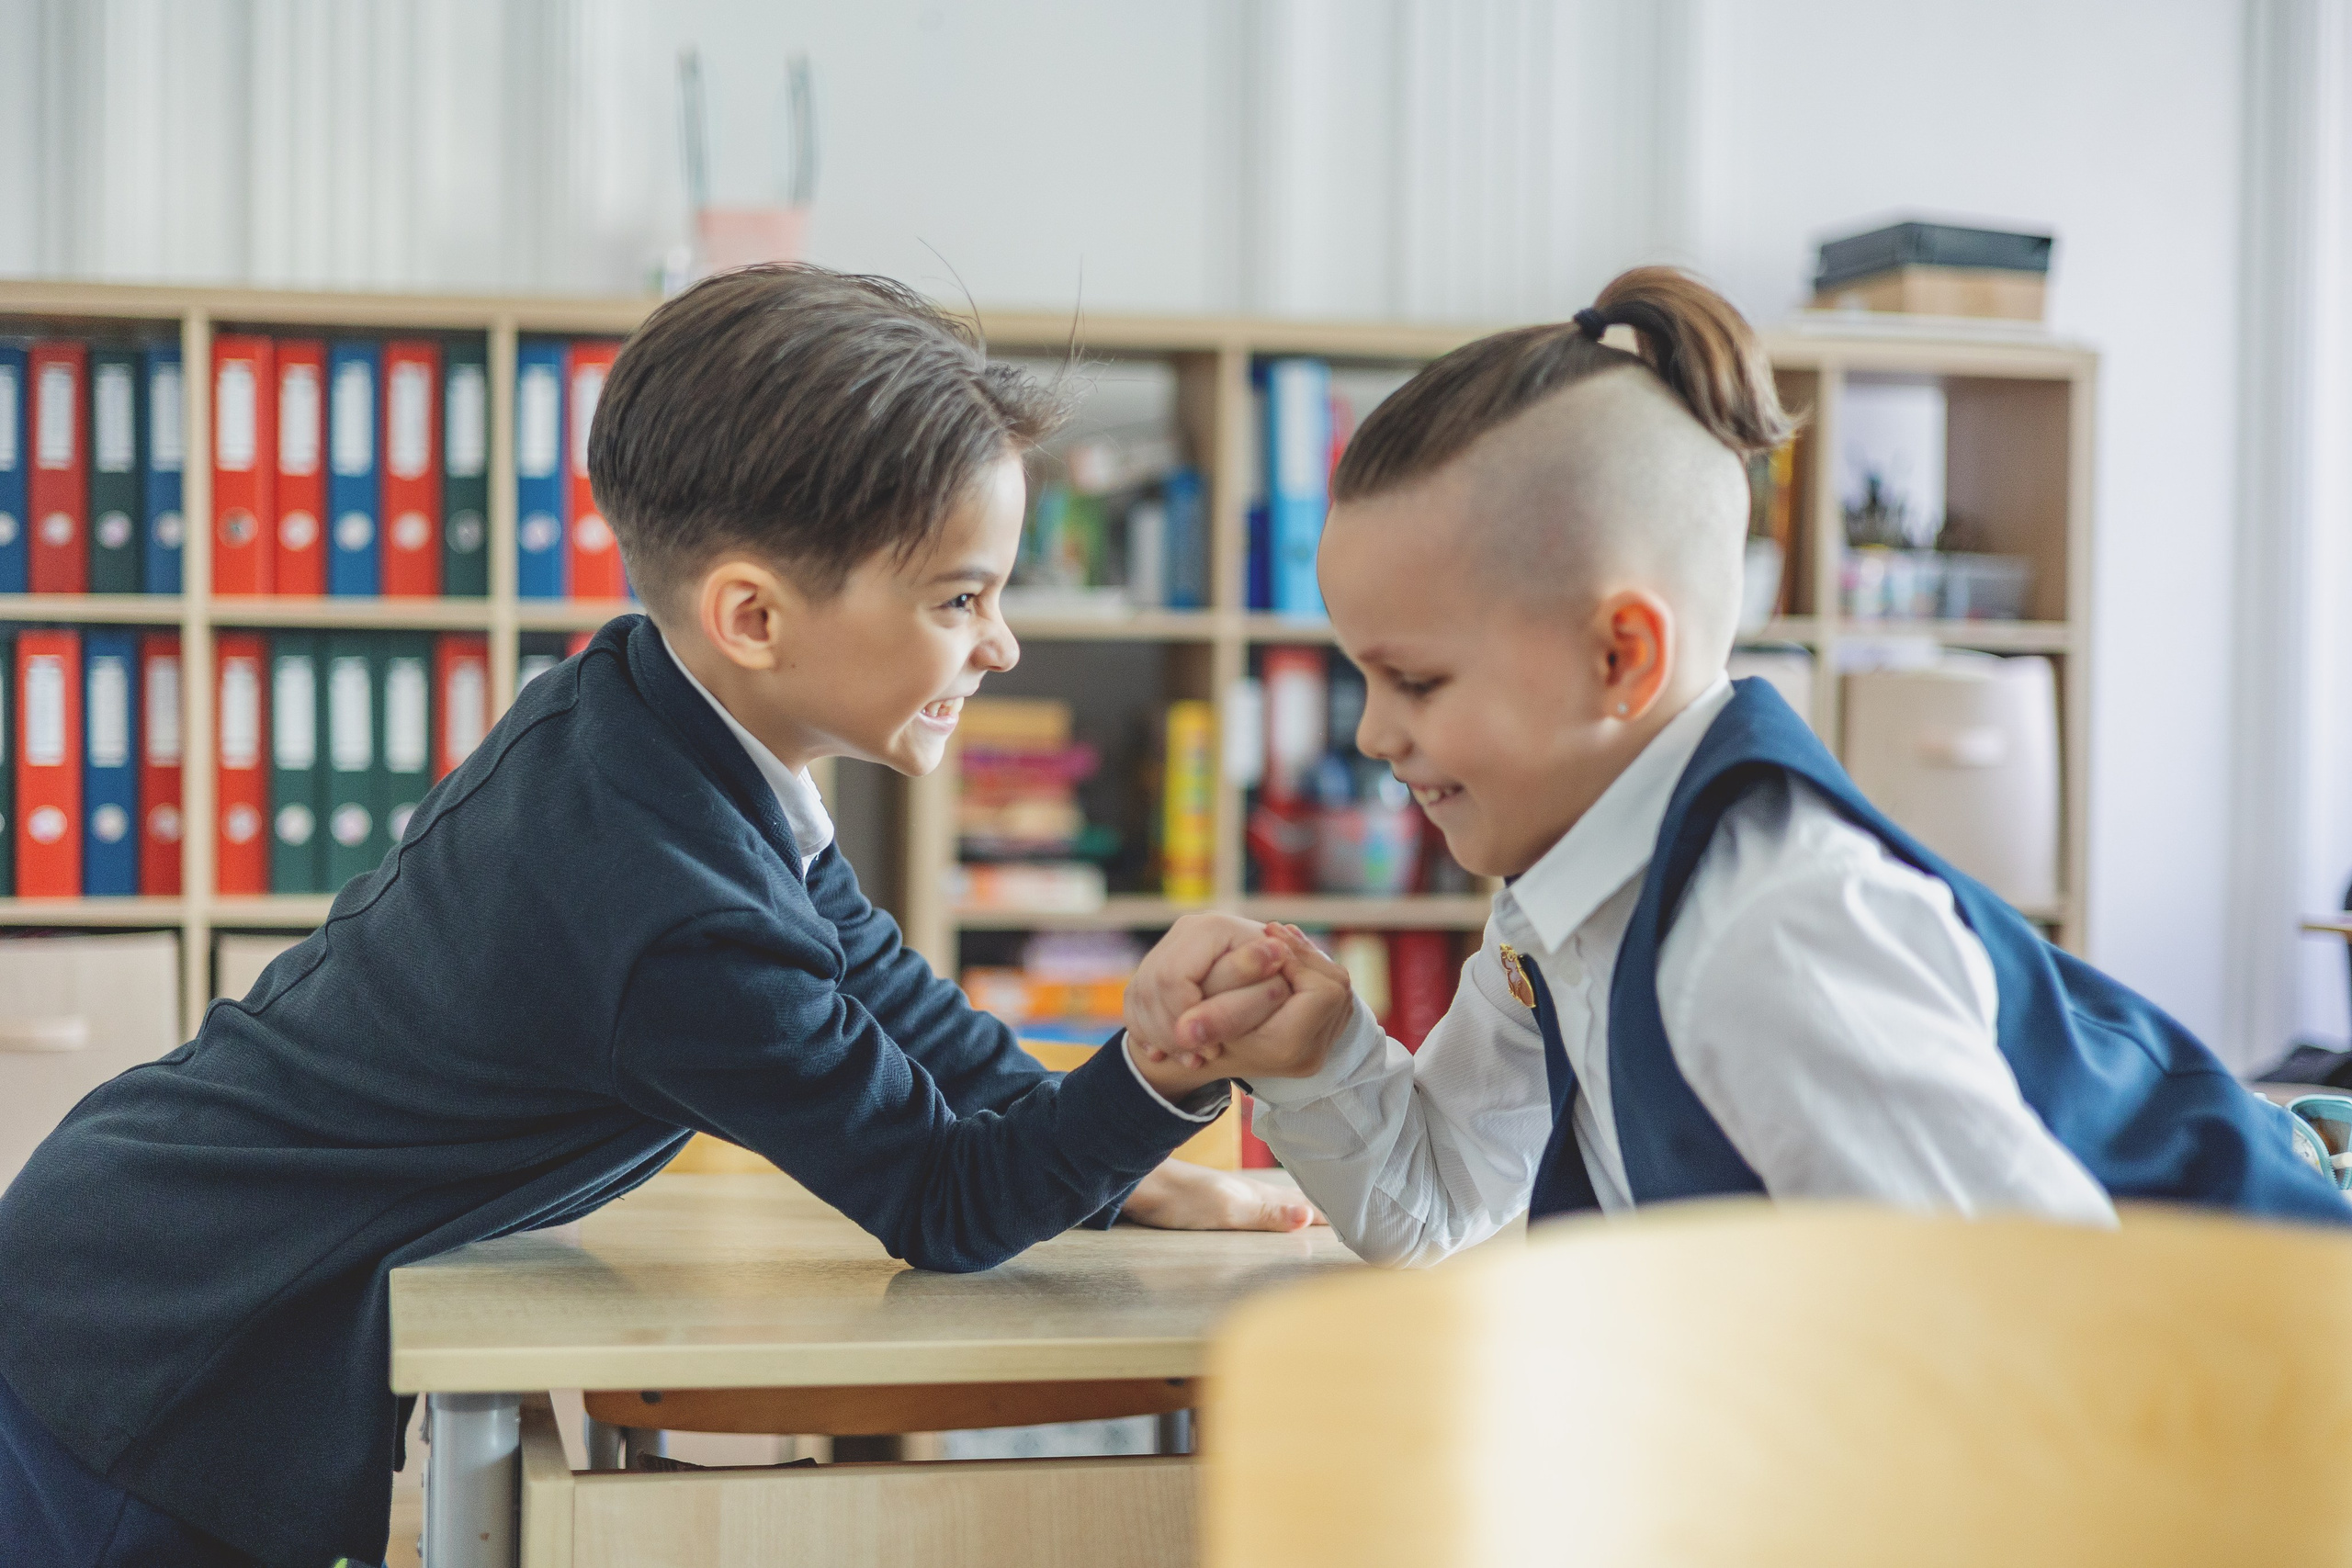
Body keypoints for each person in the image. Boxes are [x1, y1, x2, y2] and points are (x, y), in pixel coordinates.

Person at [0, 265, 1308, 1567]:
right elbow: (944, 1202)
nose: (1002, 645)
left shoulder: (651, 715)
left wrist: (1126, 1167)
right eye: (961, 599)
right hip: (152, 1346)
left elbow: (917, 1025)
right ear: (753, 616)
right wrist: (1154, 1076)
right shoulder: (676, 913)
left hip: (134, 1254)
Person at [1132, 265, 2350, 1269]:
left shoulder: (1773, 936)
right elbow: (1439, 1199)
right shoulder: (1561, 904)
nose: (1370, 736)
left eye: (1417, 683)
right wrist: (1320, 1059)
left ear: (1622, 656)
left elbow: (2043, 1346)